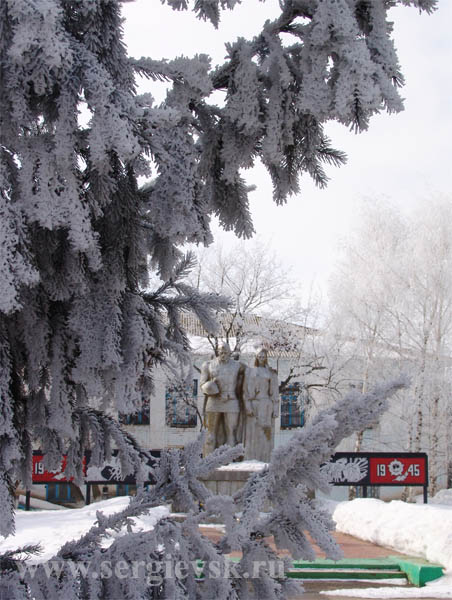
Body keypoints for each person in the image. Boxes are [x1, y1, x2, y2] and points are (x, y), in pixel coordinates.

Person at [200, 342, 245, 456]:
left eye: (225, 352)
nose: (223, 354)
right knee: (210, 433)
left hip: (231, 400)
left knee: (231, 432)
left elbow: (252, 375)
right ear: (217, 352)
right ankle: (208, 459)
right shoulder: (208, 365)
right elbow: (202, 384)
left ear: (230, 353)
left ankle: (230, 459)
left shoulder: (238, 365)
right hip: (214, 401)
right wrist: (210, 387)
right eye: (221, 352)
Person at [243, 347, 279, 462]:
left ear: (266, 358)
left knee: (265, 431)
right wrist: (248, 406)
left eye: (263, 356)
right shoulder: (250, 372)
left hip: (266, 404)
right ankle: (251, 458)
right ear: (256, 357)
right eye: (259, 356)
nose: (261, 358)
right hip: (254, 404)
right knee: (252, 433)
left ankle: (265, 458)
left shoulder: (270, 373)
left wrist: (275, 408)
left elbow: (274, 392)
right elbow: (246, 392)